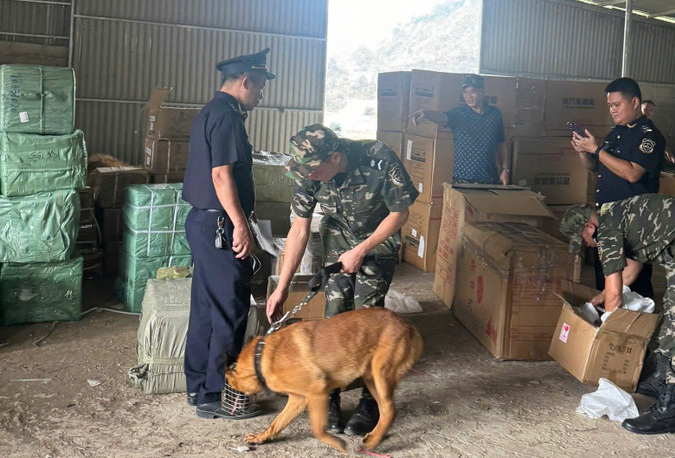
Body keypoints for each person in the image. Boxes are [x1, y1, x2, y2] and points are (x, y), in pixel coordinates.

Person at [265, 124, 419, 437]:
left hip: (377, 239)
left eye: (313, 169)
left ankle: (369, 401)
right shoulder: (307, 173)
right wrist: (282, 287)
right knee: (334, 320)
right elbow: (299, 229)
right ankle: (330, 396)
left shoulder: (377, 157)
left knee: (368, 320)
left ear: (335, 157)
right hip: (338, 238)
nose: (308, 176)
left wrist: (361, 250)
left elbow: (400, 213)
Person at [559, 195, 675, 435]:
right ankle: (661, 380)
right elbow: (632, 269)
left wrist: (609, 332)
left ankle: (670, 412)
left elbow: (616, 297)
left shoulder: (607, 231)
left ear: (590, 227)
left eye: (584, 239)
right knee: (672, 312)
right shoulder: (615, 217)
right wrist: (603, 296)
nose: (587, 245)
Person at [182, 48, 275, 419]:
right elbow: (221, 176)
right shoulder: (227, 117)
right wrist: (240, 224)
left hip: (203, 222)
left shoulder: (211, 111)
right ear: (246, 82)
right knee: (230, 310)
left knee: (206, 308)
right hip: (220, 225)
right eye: (261, 87)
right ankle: (219, 393)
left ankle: (199, 388)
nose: (261, 95)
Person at [571, 77, 665, 299]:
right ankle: (605, 318)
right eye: (610, 106)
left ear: (634, 102)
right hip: (608, 219)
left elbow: (633, 173)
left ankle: (638, 320)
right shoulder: (616, 133)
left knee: (633, 286)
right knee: (605, 279)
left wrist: (596, 150)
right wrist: (584, 151)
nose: (612, 110)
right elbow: (596, 166)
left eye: (616, 105)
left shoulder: (649, 136)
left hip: (633, 222)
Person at [409, 74, 509, 185]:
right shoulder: (459, 114)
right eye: (465, 92)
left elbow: (500, 143)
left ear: (481, 92)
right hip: (462, 179)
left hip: (489, 179)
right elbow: (443, 117)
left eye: (472, 92)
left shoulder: (494, 114)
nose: (468, 96)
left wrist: (505, 169)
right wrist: (426, 113)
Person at [641, 99, 675, 164]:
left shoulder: (649, 124)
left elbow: (657, 138)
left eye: (651, 110)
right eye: (645, 109)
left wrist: (667, 151)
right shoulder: (634, 122)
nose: (648, 112)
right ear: (639, 110)